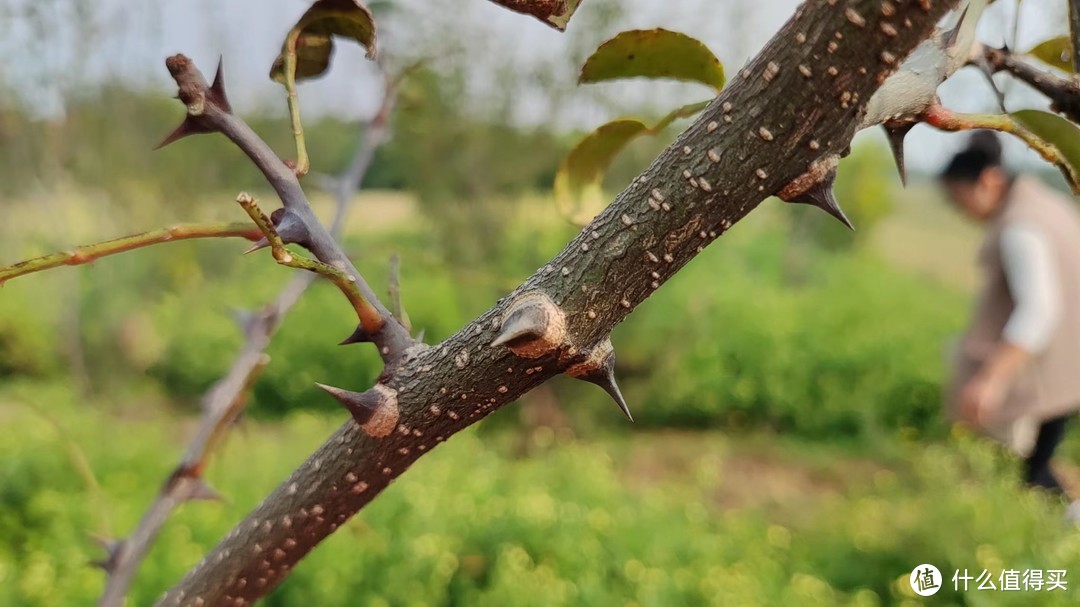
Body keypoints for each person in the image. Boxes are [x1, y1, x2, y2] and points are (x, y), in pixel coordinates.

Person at [941, 131, 1080, 504]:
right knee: (1038, 469)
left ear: (987, 182)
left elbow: (1039, 310)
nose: (961, 210)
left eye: (959, 198)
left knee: (1031, 478)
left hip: (1041, 377)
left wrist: (991, 379)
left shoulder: (1020, 226)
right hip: (1067, 371)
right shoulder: (1046, 203)